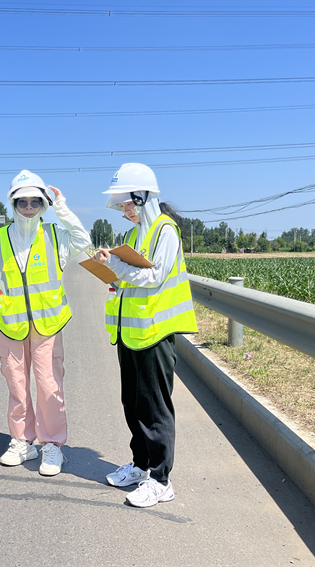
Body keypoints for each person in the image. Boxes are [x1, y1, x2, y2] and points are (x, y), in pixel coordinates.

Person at [0, 170, 90, 476]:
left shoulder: (56, 236)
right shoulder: (0, 240)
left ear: (43, 204)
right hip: (11, 325)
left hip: (47, 326)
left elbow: (84, 241)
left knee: (49, 386)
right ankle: (22, 441)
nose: (28, 207)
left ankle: (52, 445)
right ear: (12, 204)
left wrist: (63, 209)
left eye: (35, 201)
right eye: (22, 202)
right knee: (17, 386)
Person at [91, 162, 198, 507]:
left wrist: (117, 266)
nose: (124, 211)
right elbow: (129, 279)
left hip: (155, 334)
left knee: (155, 408)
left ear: (142, 197)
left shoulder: (165, 231)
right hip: (130, 333)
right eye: (121, 206)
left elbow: (154, 277)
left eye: (126, 204)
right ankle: (140, 466)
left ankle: (162, 479)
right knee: (132, 404)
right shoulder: (133, 236)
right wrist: (110, 271)